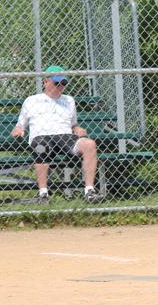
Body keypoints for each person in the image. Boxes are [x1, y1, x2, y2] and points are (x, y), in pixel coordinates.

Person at [11, 65, 101, 204]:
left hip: (65, 137)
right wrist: (18, 129)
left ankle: (89, 191)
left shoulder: (69, 100)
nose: (60, 86)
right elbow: (20, 123)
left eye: (63, 83)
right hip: (42, 137)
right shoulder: (32, 100)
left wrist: (77, 129)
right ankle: (43, 194)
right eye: (56, 83)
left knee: (90, 144)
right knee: (41, 146)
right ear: (46, 82)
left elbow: (73, 124)